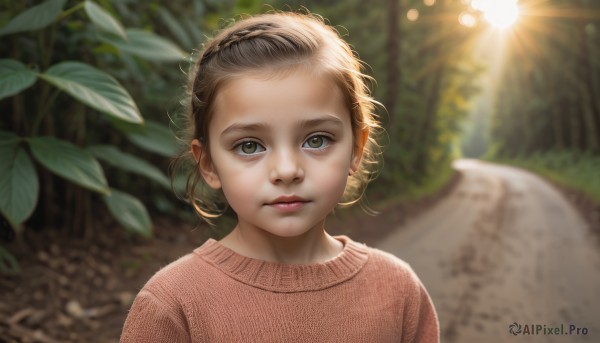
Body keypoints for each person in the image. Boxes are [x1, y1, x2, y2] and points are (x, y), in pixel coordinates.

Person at [120, 11, 439, 343]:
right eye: (249, 146)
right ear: (210, 164)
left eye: (317, 140)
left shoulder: (398, 291)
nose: (287, 170)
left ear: (356, 149)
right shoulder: (172, 305)